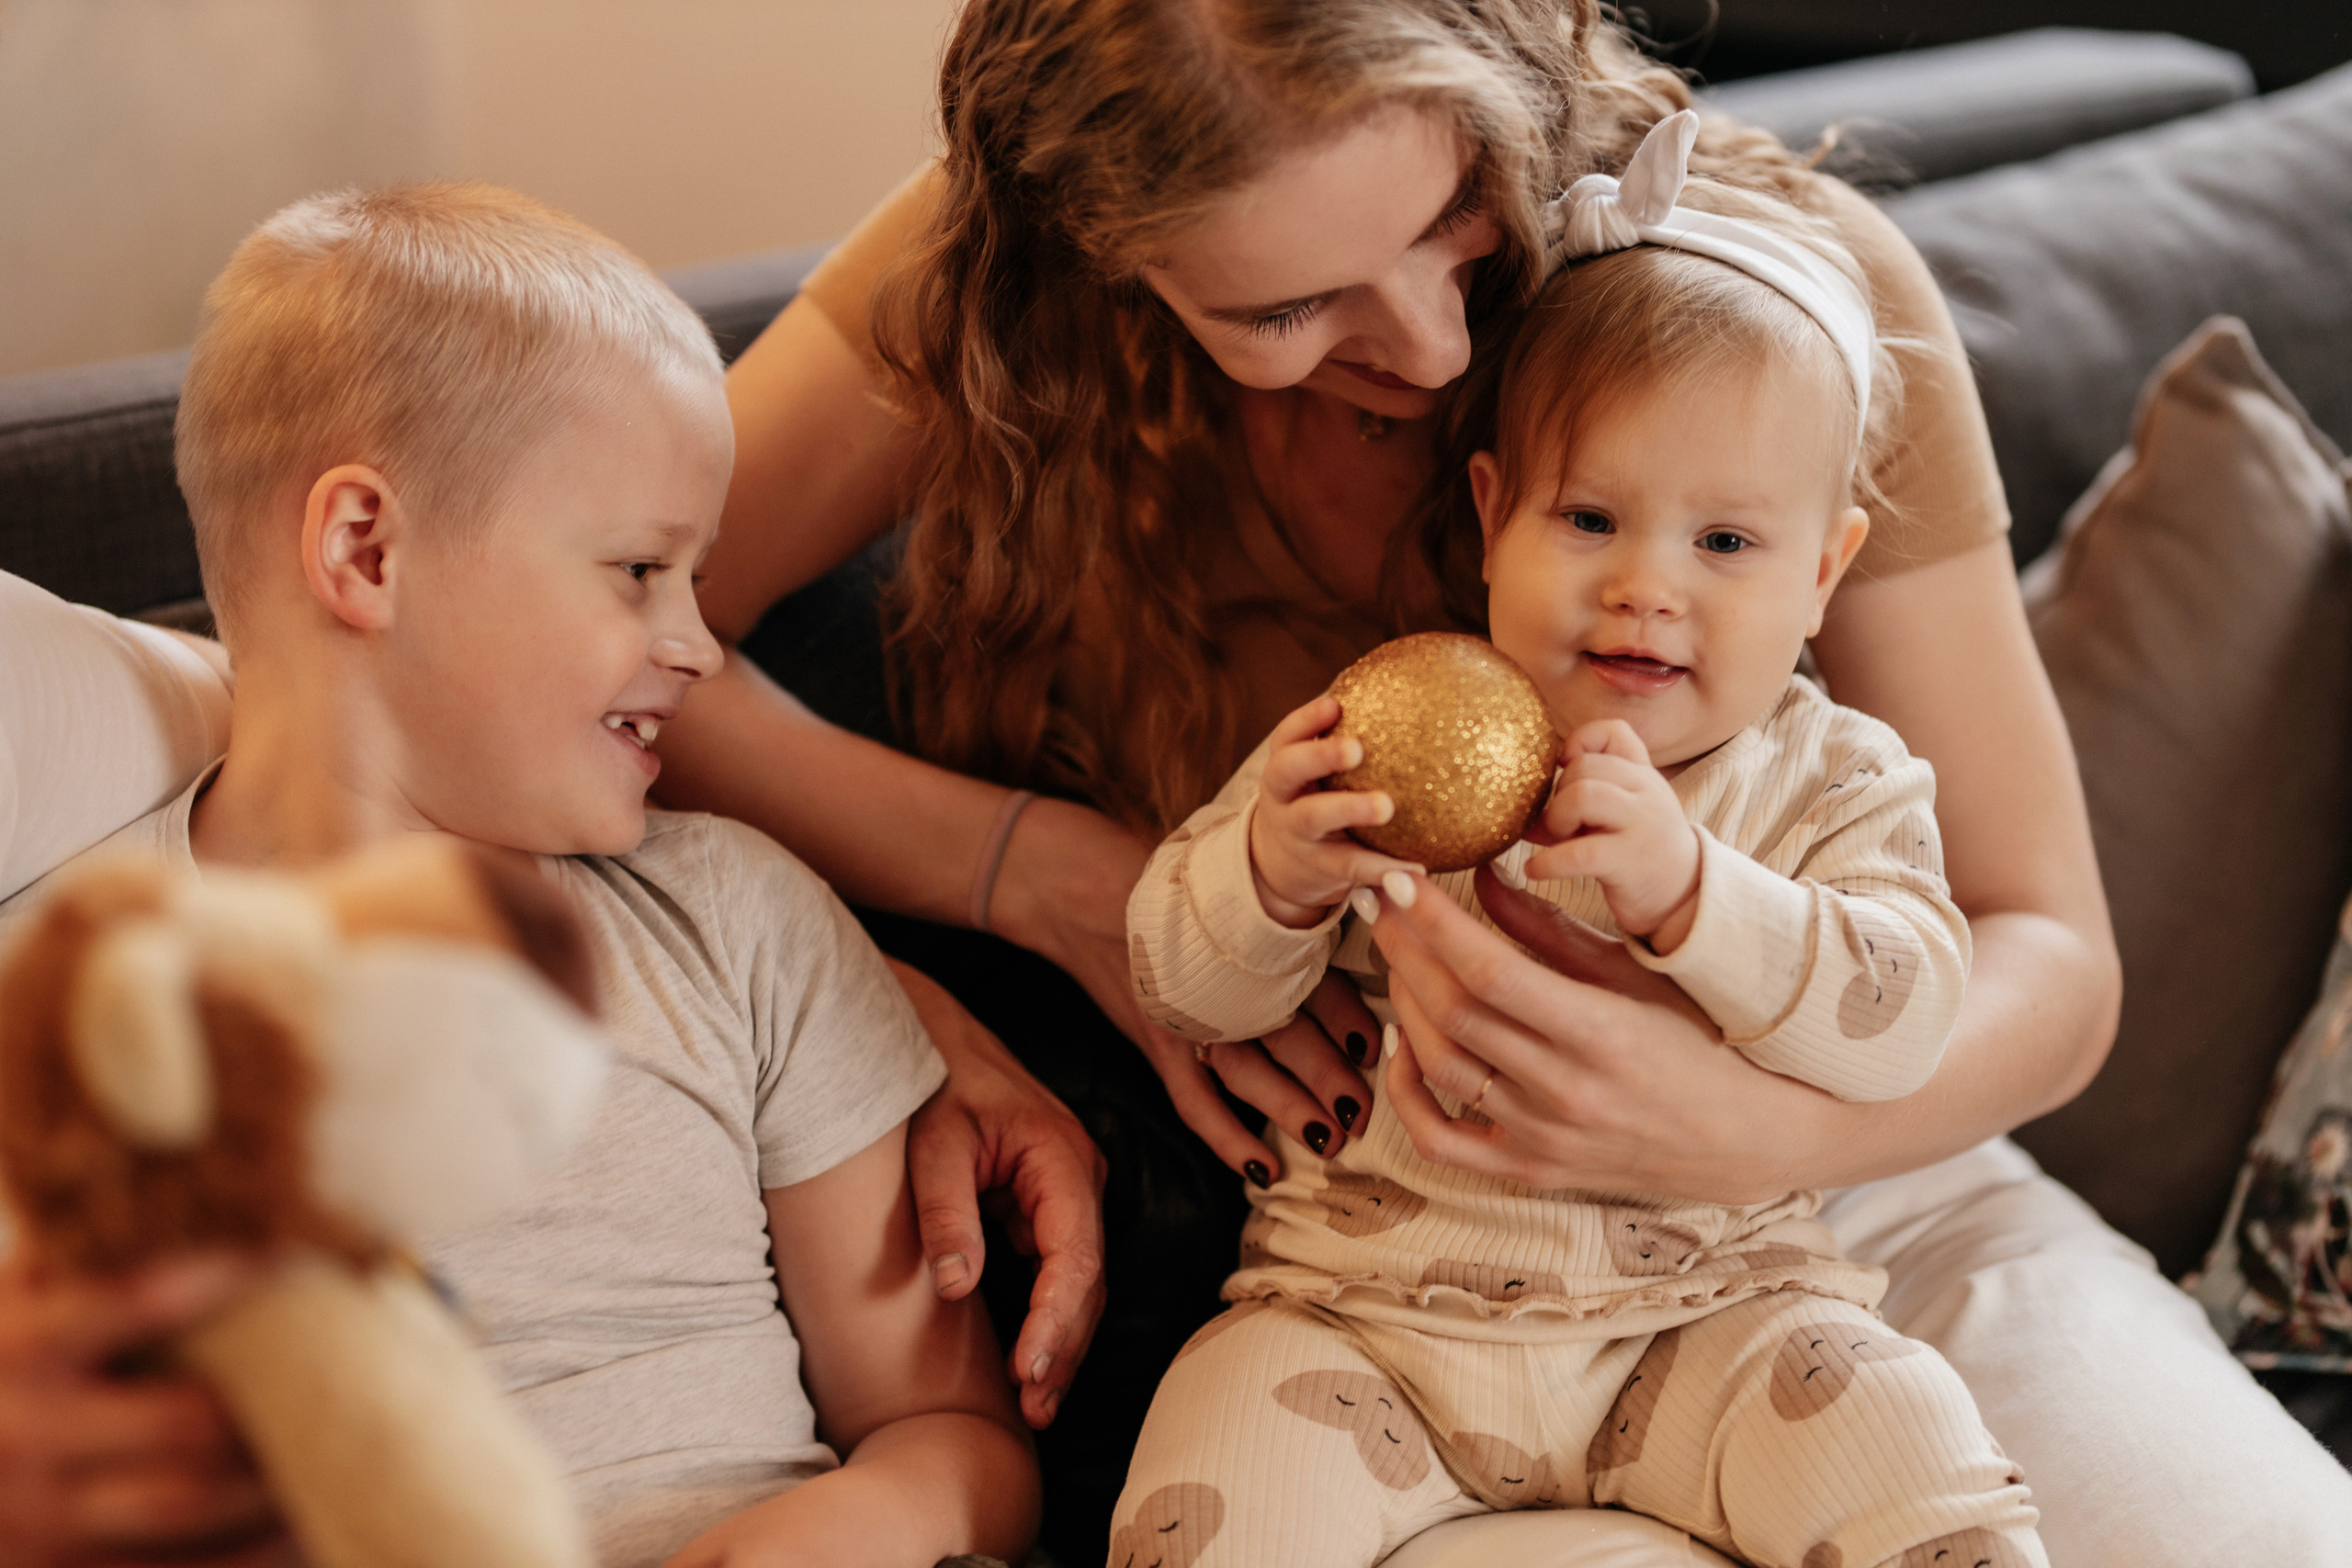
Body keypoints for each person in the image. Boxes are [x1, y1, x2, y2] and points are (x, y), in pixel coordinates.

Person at [657, 1, 2352, 1562]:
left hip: (1840, 1199)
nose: (1427, 342)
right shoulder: (1013, 270)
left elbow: (2048, 952)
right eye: (1284, 309)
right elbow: (617, 641)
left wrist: (1745, 1124)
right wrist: (1039, 877)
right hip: (1391, 1273)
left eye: (1453, 212)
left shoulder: (1780, 310)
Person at [2, 184, 1037, 1568]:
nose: (695, 644)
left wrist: (835, 1531)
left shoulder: (739, 920)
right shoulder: (69, 998)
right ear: (366, 552)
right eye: (640, 569)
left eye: (695, 578)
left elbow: (951, 1433)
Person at [1115, 110, 2041, 1568]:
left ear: (1824, 572)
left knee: (1899, 1432)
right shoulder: (1391, 726)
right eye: (1594, 519)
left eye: (1725, 544)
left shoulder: (1832, 781)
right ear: (1493, 516)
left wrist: (1699, 900)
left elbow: (1904, 1015)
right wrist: (1268, 879)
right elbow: (1178, 985)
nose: (1646, 591)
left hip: (1709, 1321)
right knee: (1207, 1484)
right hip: (1363, 1327)